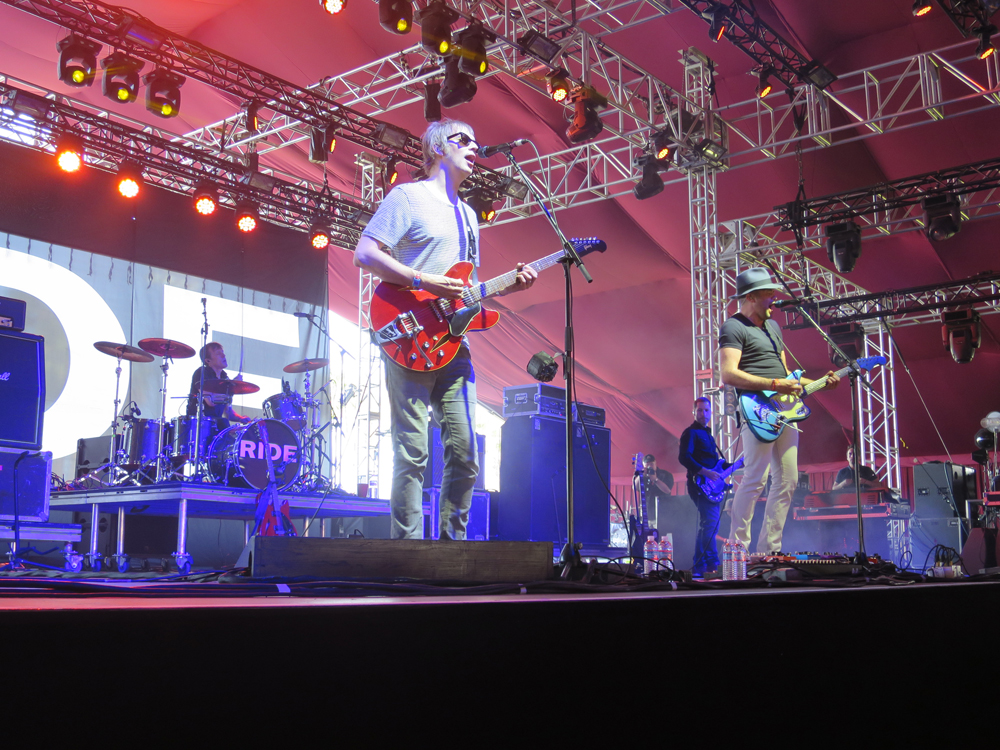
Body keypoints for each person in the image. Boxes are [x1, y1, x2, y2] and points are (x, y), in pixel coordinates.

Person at [353, 119, 538, 540]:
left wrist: (509, 286)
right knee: (412, 452)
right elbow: (364, 253)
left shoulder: (469, 216)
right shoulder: (408, 197)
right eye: (464, 140)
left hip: (455, 342)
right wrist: (422, 280)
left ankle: (453, 550)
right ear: (438, 147)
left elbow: (465, 289)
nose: (475, 147)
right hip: (410, 336)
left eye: (477, 140)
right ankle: (408, 552)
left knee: (466, 451)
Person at [720, 267, 840, 554]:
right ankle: (738, 550)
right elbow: (728, 374)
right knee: (755, 478)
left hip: (785, 410)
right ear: (751, 297)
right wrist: (774, 384)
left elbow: (786, 375)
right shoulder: (733, 327)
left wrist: (821, 383)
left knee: (788, 480)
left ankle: (768, 550)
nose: (774, 300)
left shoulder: (774, 327)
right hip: (757, 410)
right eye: (768, 294)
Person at [678, 396, 730, 576]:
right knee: (711, 523)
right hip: (699, 484)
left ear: (711, 412)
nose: (703, 414)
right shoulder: (690, 433)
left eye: (706, 410)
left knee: (709, 524)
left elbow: (716, 463)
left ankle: (700, 566)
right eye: (700, 410)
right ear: (694, 412)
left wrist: (736, 465)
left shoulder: (708, 434)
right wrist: (704, 472)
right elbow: (684, 457)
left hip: (710, 486)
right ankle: (712, 564)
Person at [187, 342, 249, 428]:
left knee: (226, 426)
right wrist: (231, 386)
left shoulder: (224, 377)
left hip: (216, 424)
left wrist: (241, 418)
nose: (223, 355)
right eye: (218, 353)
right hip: (200, 425)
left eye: (223, 352)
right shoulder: (202, 373)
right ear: (208, 360)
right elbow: (211, 401)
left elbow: (228, 412)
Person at [634, 454, 674, 527]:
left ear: (655, 464)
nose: (650, 466)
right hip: (647, 516)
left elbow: (668, 490)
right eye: (647, 465)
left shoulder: (666, 474)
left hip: (663, 516)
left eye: (652, 464)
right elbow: (635, 487)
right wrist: (640, 476)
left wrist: (655, 480)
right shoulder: (642, 476)